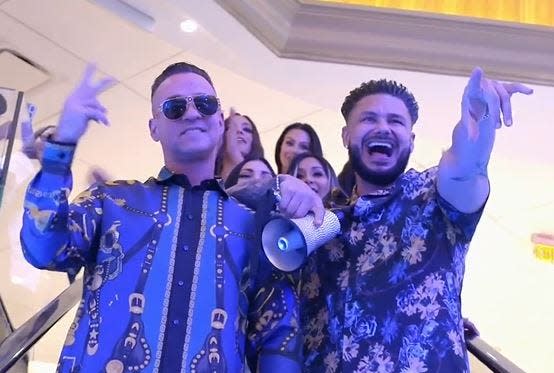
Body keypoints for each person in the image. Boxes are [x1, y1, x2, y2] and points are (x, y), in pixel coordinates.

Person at [20, 62, 324, 372]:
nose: (192, 113)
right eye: (175, 107)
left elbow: (278, 335)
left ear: (220, 121)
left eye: (205, 104)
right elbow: (43, 248)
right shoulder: (111, 201)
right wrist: (63, 145)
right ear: (154, 128)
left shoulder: (255, 228)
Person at [300, 68, 532, 372]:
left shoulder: (433, 195)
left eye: (395, 121)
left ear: (410, 140)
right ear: (346, 135)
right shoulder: (319, 223)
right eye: (369, 119)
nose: (383, 127)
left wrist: (477, 124)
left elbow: (465, 167)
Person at [216, 109, 265, 180]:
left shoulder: (266, 179)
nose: (239, 131)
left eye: (246, 129)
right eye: (231, 128)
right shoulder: (204, 180)